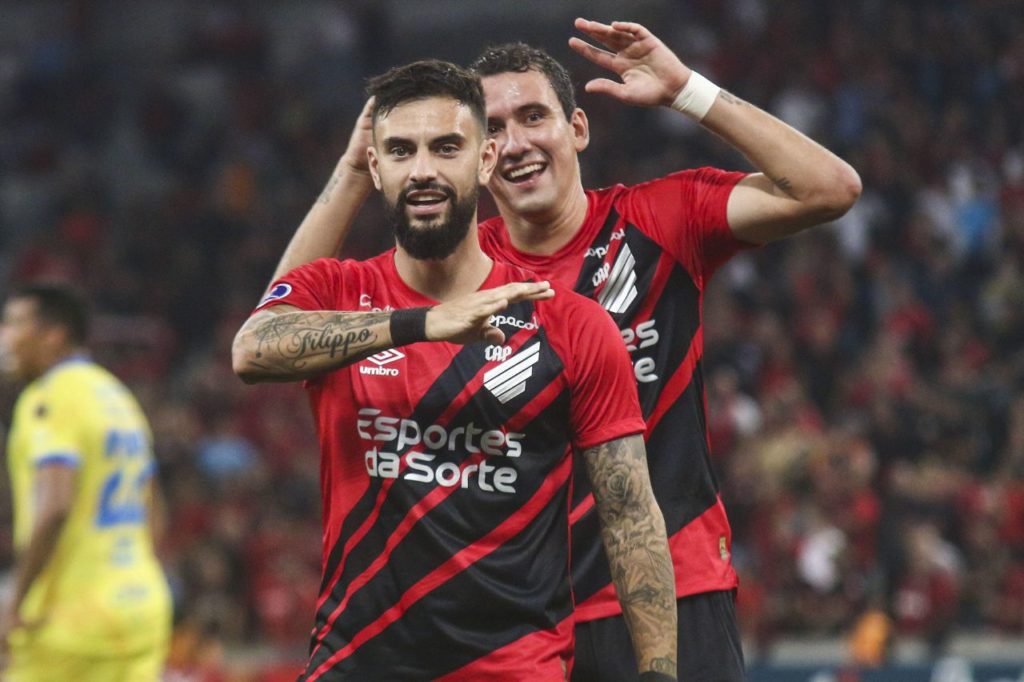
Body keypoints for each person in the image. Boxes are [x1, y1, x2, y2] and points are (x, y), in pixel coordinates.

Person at [265, 19, 861, 680]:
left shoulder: (660, 220)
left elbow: (829, 188)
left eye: (533, 116)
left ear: (577, 128)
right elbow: (286, 318)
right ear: (476, 155)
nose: (515, 143)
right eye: (492, 128)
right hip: (524, 621)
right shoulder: (457, 273)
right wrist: (354, 172)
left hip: (675, 593)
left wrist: (687, 91)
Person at [231, 59, 678, 680]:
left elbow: (631, 516)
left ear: (486, 161)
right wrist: (420, 324)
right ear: (376, 169)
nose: (422, 170)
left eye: (446, 148)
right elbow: (252, 350)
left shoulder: (571, 325)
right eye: (399, 151)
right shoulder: (338, 289)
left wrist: (658, 673)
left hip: (515, 668)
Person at [0, 284, 172, 681]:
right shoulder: (119, 397)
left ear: (53, 335)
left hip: (70, 616)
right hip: (141, 607)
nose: (5, 336)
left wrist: (15, 600)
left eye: (14, 324)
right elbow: (155, 511)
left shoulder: (51, 396)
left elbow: (56, 505)